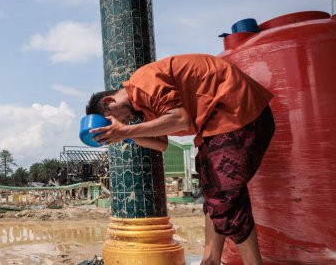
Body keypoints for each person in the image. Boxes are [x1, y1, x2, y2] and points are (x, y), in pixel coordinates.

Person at [86, 54, 275, 265]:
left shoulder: (143, 81)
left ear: (109, 101)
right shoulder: (144, 106)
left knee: (224, 197)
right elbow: (161, 144)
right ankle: (210, 260)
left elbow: (180, 119)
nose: (125, 122)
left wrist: (125, 130)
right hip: (217, 123)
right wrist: (128, 133)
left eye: (117, 120)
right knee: (213, 192)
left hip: (236, 110)